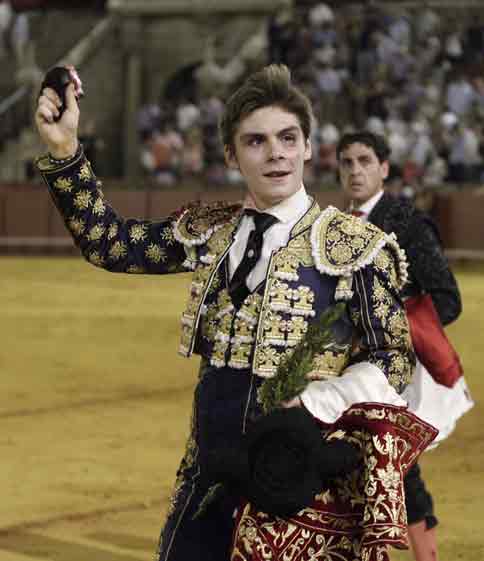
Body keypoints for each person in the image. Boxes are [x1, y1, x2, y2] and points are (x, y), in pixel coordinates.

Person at [35, 65, 435, 561]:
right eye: (256, 141)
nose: (276, 154)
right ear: (231, 154)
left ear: (309, 147)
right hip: (208, 481)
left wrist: (321, 402)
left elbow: (394, 358)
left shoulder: (351, 246)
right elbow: (110, 244)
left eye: (289, 138)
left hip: (300, 489)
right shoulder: (211, 231)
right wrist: (64, 149)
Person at [336, 130, 474, 561]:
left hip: (396, 368)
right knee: (371, 466)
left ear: (384, 168)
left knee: (392, 465)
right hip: (345, 366)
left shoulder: (407, 224)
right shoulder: (335, 226)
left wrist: (388, 325)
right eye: (346, 163)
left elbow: (447, 300)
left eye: (364, 161)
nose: (355, 170)